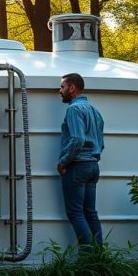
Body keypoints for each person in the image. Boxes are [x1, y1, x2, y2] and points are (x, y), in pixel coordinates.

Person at [56, 72, 105, 248]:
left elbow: (77, 139)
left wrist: (63, 161)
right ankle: (100, 255)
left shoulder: (73, 109)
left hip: (77, 167)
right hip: (92, 166)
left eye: (62, 87)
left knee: (76, 213)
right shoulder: (95, 110)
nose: (59, 91)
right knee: (90, 212)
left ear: (72, 87)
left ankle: (87, 258)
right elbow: (101, 141)